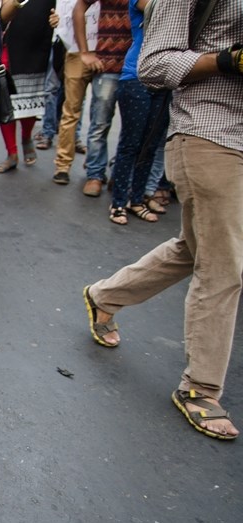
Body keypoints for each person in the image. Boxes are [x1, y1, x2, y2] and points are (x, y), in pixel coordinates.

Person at [83, 0, 242, 441]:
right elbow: (154, 63)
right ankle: (201, 388)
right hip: (212, 131)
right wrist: (226, 60)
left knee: (198, 249)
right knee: (224, 265)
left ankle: (104, 295)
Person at [52, 0, 131, 191]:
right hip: (80, 51)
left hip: (114, 55)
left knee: (105, 117)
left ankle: (99, 166)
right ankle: (64, 165)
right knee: (72, 111)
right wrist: (84, 51)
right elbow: (76, 7)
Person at [106, 0, 169, 225]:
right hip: (137, 77)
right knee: (130, 145)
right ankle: (119, 202)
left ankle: (137, 200)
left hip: (165, 79)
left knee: (149, 146)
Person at [0, 0, 57, 173]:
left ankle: (26, 137)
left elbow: (63, 11)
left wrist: (57, 19)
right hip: (8, 44)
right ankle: (11, 153)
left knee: (32, 98)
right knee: (5, 97)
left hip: (37, 45)